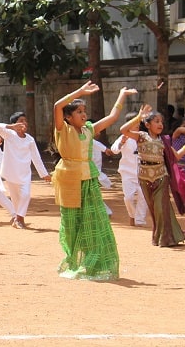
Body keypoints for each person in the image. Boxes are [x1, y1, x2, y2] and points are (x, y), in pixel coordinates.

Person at [52, 81, 132, 280]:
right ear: (68, 117)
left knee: (93, 221)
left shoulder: (88, 130)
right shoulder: (63, 129)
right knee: (72, 223)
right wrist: (79, 91)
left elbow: (112, 117)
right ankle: (74, 259)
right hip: (69, 180)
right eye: (78, 111)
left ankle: (93, 260)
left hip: (88, 179)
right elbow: (57, 106)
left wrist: (122, 94)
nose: (83, 114)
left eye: (84, 111)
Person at [119, 104, 185, 248]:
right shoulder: (140, 136)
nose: (160, 124)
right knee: (155, 210)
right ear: (147, 124)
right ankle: (172, 234)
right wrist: (138, 117)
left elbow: (176, 156)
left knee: (160, 208)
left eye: (161, 122)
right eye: (156, 121)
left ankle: (165, 239)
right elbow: (123, 130)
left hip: (161, 177)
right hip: (144, 178)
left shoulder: (164, 140)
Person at [0, 111, 51, 229]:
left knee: (25, 195)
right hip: (11, 172)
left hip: (24, 173)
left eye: (25, 120)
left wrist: (44, 174)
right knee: (15, 198)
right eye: (21, 121)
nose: (24, 123)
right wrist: (11, 127)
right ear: (14, 124)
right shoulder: (9, 134)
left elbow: (36, 157)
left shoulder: (30, 139)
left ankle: (19, 218)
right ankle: (18, 219)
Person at [110, 114, 148, 227]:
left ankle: (140, 220)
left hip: (142, 173)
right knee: (129, 197)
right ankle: (132, 215)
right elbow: (114, 150)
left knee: (143, 196)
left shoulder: (143, 136)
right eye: (134, 123)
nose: (137, 125)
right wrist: (122, 142)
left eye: (138, 123)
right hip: (127, 173)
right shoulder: (123, 137)